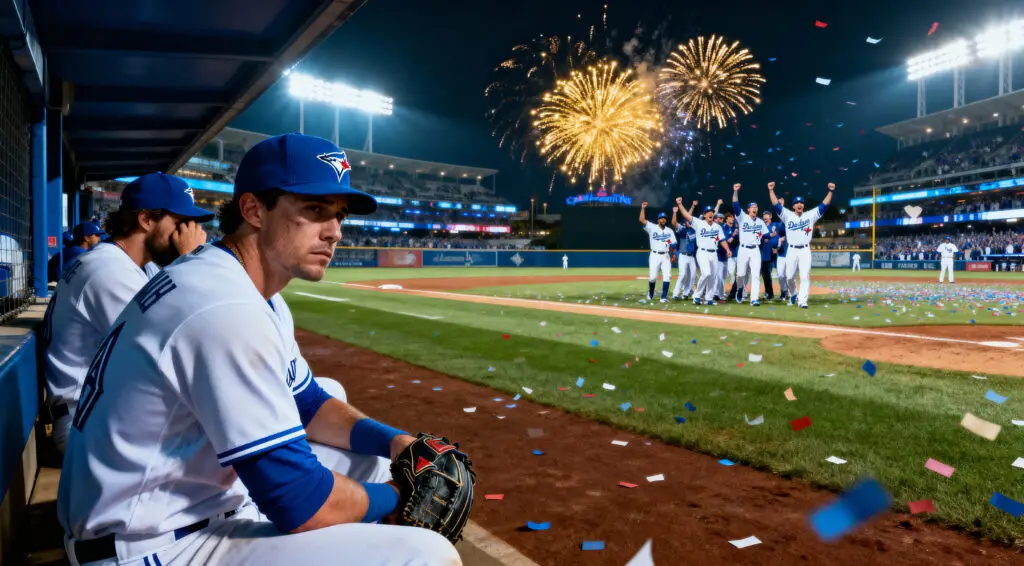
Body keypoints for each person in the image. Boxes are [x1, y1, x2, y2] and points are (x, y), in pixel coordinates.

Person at [57, 134, 462, 566]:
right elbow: (298, 502)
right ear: (253, 210)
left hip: (184, 510)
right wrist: (398, 498)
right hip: (150, 547)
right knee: (425, 555)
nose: (335, 232)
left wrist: (397, 442)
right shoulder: (223, 305)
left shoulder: (243, 287)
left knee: (371, 465)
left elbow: (305, 401)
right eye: (314, 210)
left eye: (339, 216)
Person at [43, 173, 212, 454]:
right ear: (146, 220)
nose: (189, 233)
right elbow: (179, 345)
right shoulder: (109, 271)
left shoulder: (131, 264)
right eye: (181, 223)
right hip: (84, 421)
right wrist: (190, 260)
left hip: (101, 411)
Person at [768, 181, 835, 309]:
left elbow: (824, 205)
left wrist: (830, 191)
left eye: (801, 203)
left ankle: (802, 300)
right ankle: (793, 294)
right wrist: (771, 191)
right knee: (789, 277)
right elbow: (776, 205)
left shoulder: (810, 215)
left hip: (805, 250)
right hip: (791, 250)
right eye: (797, 203)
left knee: (805, 276)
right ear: (793, 206)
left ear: (803, 205)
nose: (799, 204)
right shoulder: (787, 215)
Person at [675, 197, 730, 305]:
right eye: (708, 212)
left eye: (712, 212)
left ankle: (709, 298)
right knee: (706, 273)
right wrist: (680, 204)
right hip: (702, 252)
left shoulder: (717, 227)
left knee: (713, 276)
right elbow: (686, 215)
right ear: (704, 215)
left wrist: (727, 249)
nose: (711, 214)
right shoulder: (699, 223)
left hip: (714, 253)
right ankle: (696, 295)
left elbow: (722, 240)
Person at [730, 184, 769, 306]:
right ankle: (739, 291)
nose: (755, 208)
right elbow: (735, 205)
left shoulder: (760, 222)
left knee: (756, 275)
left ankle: (754, 299)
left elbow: (766, 235)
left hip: (755, 250)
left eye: (756, 207)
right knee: (741, 275)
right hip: (743, 250)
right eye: (752, 207)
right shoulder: (742, 217)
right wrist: (736, 191)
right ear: (748, 209)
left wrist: (768, 237)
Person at [639, 203, 676, 302]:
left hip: (666, 256)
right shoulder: (652, 227)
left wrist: (674, 254)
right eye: (661, 218)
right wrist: (643, 208)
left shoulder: (669, 231)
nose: (663, 220)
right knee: (653, 277)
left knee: (667, 276)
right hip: (655, 255)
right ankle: (650, 293)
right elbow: (641, 220)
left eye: (664, 218)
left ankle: (663, 298)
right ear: (658, 220)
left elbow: (673, 244)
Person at [671, 202, 698, 300]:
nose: (689, 222)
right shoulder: (683, 230)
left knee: (693, 276)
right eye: (687, 221)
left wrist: (692, 206)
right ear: (685, 223)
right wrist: (675, 212)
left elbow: (689, 216)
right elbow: (674, 223)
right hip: (683, 255)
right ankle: (676, 294)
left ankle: (686, 293)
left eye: (690, 221)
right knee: (682, 275)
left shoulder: (695, 230)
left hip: (692, 256)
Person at [773, 198, 789, 302]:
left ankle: (792, 293)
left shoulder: (790, 223)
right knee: (780, 274)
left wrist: (782, 205)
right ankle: (784, 291)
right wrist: (780, 206)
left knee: (790, 275)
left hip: (791, 252)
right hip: (781, 253)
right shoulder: (778, 225)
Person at [759, 210, 777, 301]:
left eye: (766, 216)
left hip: (768, 255)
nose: (765, 218)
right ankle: (767, 293)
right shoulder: (761, 227)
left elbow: (776, 239)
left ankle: (770, 293)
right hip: (759, 254)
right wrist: (763, 240)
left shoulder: (773, 227)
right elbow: (759, 238)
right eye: (764, 216)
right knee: (761, 275)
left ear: (770, 217)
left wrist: (768, 240)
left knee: (767, 275)